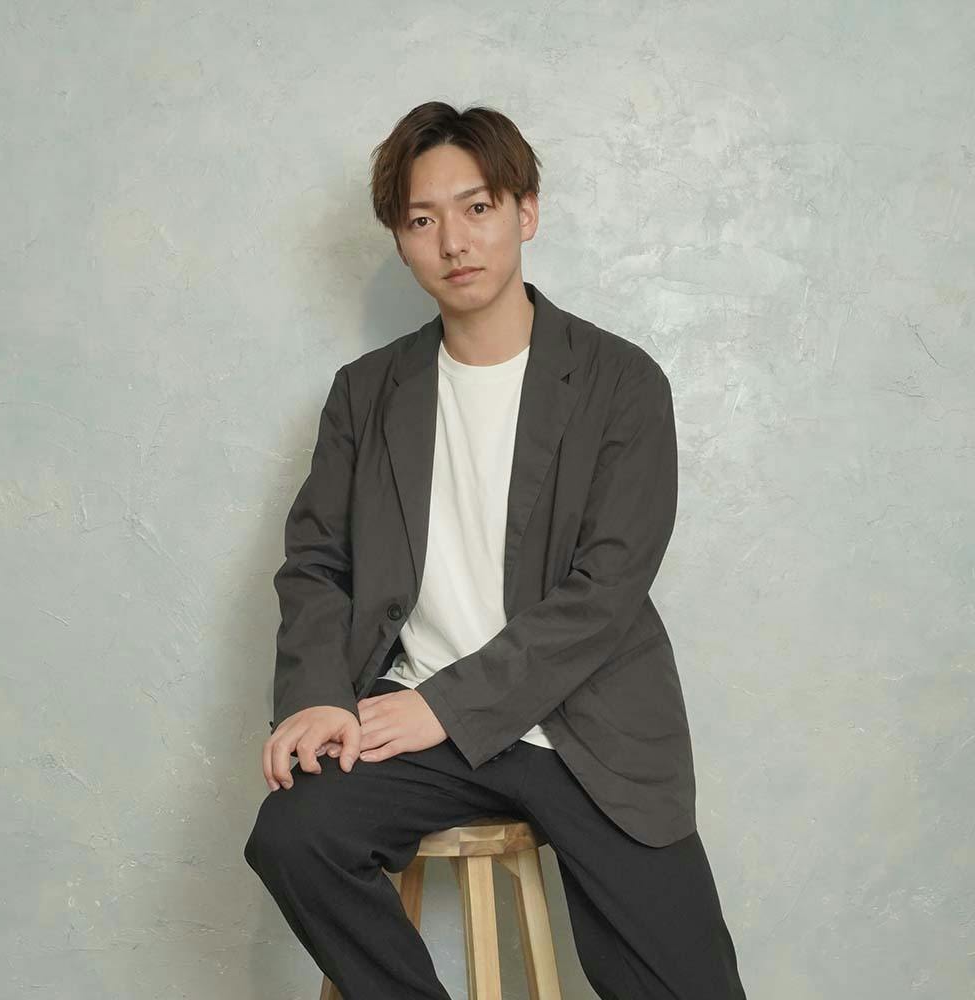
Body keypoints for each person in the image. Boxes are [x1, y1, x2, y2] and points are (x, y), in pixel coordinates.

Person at [244, 101, 747, 999]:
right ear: (401, 242)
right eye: (421, 220)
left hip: (584, 729)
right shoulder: (366, 393)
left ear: (526, 212)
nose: (454, 242)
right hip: (414, 726)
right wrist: (316, 696)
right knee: (294, 837)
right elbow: (316, 562)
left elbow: (607, 591)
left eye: (477, 208)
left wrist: (444, 706)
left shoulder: (622, 383)